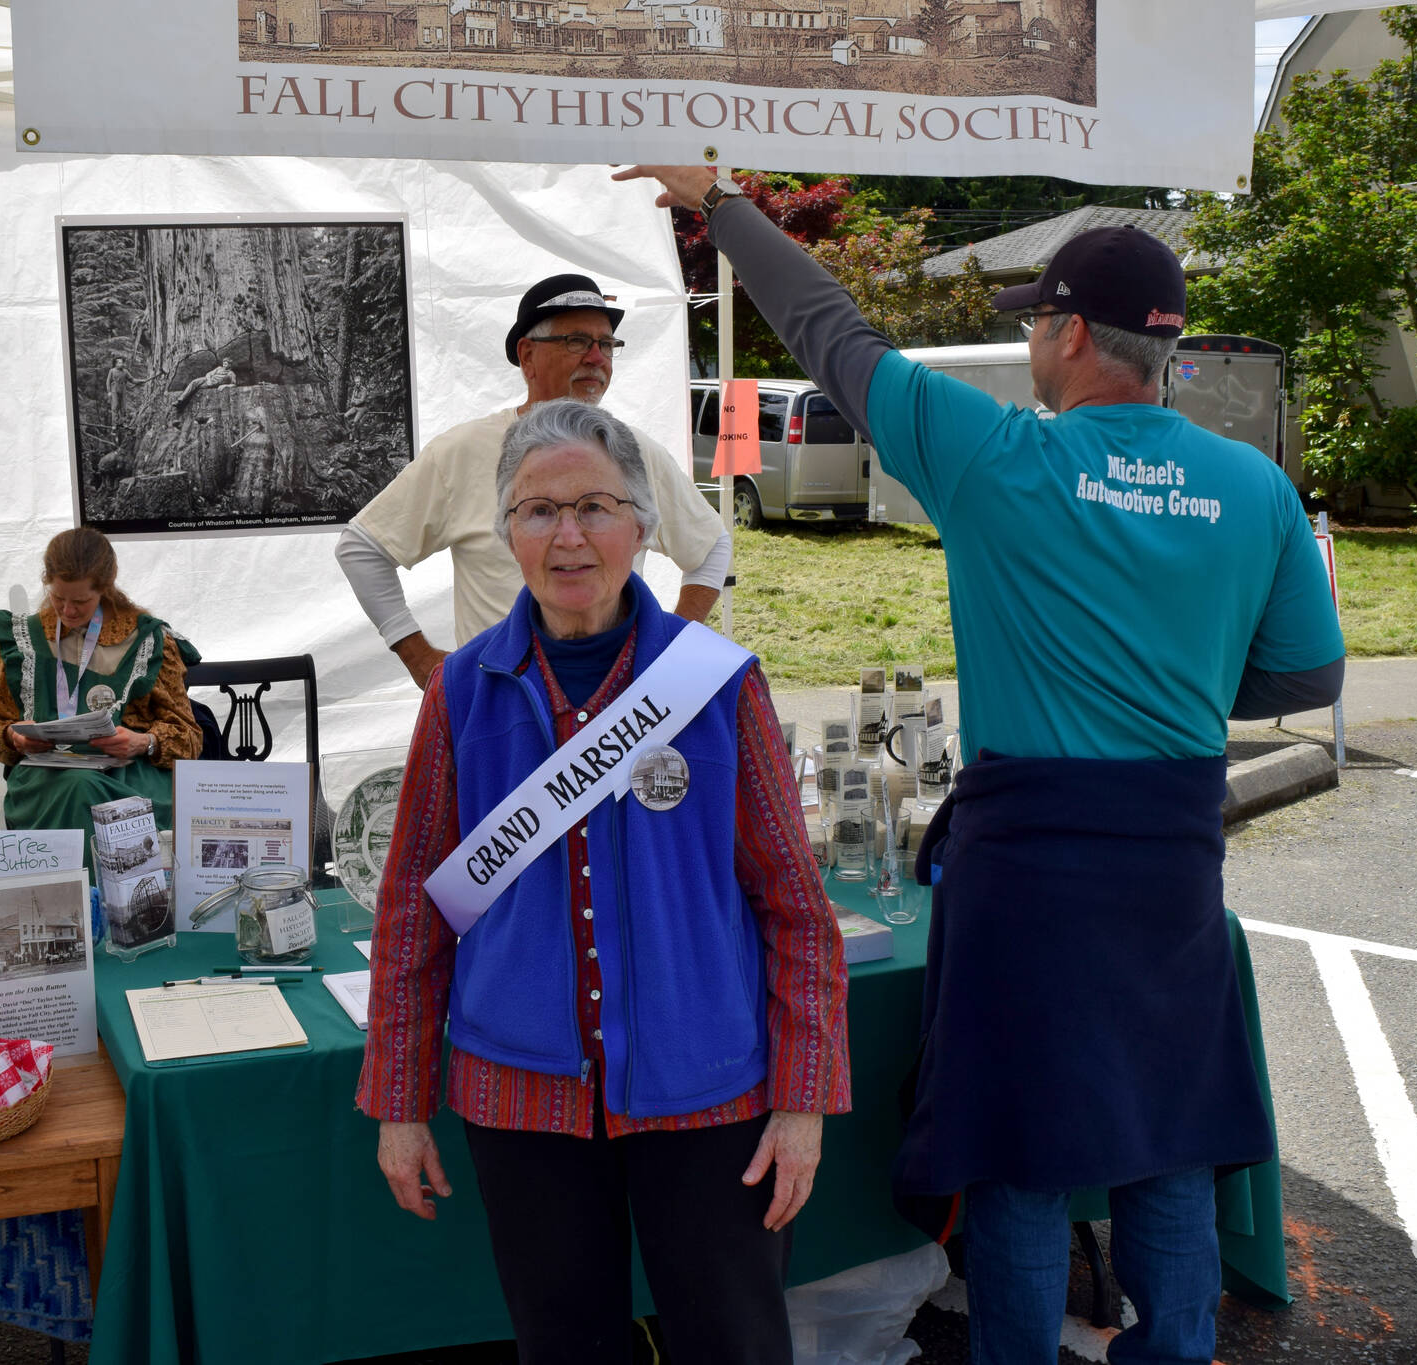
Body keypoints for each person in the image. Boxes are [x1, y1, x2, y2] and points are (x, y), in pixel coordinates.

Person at [615, 167, 1345, 1365]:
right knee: (1165, 1134)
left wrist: (725, 207)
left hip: (1027, 860)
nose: (1029, 346)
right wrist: (1182, 684)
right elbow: (1302, 679)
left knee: (1014, 1150)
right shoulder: (1252, 486)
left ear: (1067, 333)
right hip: (1170, 856)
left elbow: (829, 334)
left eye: (1032, 325)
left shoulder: (997, 456)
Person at [356, 399, 849, 1365]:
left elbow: (796, 908)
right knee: (564, 1348)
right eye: (539, 511)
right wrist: (400, 1105)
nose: (568, 535)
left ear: (643, 527)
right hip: (521, 1097)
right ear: (508, 533)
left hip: (709, 1094)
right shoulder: (460, 692)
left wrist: (803, 1104)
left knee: (733, 1346)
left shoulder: (717, 682)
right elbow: (418, 908)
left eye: (595, 506)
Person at [336, 272, 732, 688]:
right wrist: (418, 656)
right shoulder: (463, 451)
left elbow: (711, 544)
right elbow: (363, 548)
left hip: (615, 710)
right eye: (577, 341)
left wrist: (672, 643)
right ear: (527, 356)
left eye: (606, 344)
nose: (597, 358)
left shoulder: (635, 452)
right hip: (497, 703)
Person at [0, 527, 203, 855]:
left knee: (83, 789)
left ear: (105, 589)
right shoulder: (23, 641)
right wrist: (15, 738)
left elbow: (190, 738)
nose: (67, 611)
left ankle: (92, 902)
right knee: (76, 786)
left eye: (80, 601)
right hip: (44, 779)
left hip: (128, 777)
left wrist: (142, 742)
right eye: (57, 597)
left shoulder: (147, 641)